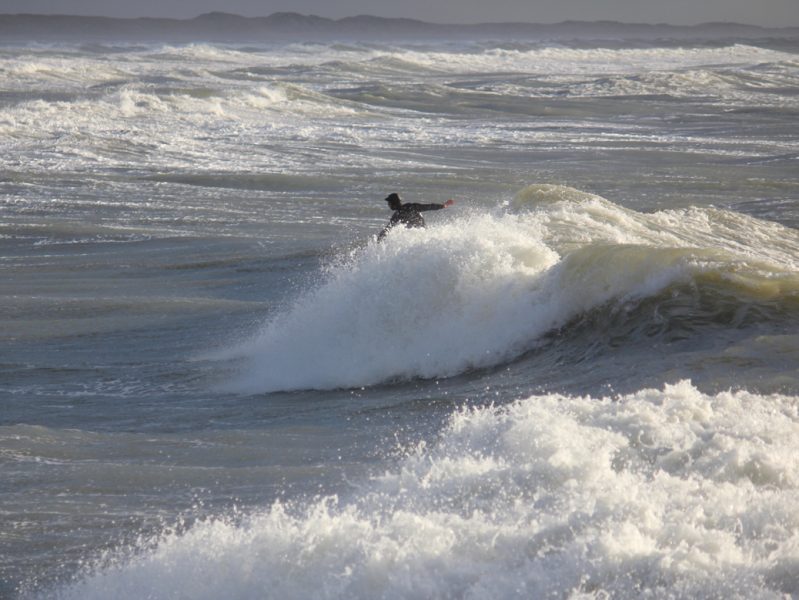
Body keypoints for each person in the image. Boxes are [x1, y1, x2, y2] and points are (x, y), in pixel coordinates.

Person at [377, 193, 454, 241]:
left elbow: (387, 229)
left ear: (394, 203)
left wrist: (378, 240)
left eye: (389, 203)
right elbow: (429, 207)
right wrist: (444, 205)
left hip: (417, 235)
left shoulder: (397, 215)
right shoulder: (410, 207)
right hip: (422, 233)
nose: (388, 205)